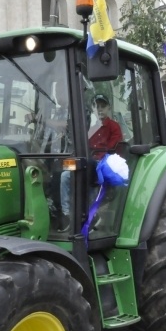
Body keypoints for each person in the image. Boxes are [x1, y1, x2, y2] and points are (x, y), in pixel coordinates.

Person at [59, 93, 122, 232]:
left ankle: (91, 215)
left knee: (92, 173)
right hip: (87, 161)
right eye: (96, 106)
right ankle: (67, 214)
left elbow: (111, 148)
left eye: (102, 106)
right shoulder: (88, 127)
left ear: (109, 108)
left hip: (104, 163)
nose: (99, 109)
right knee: (64, 175)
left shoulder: (114, 127)